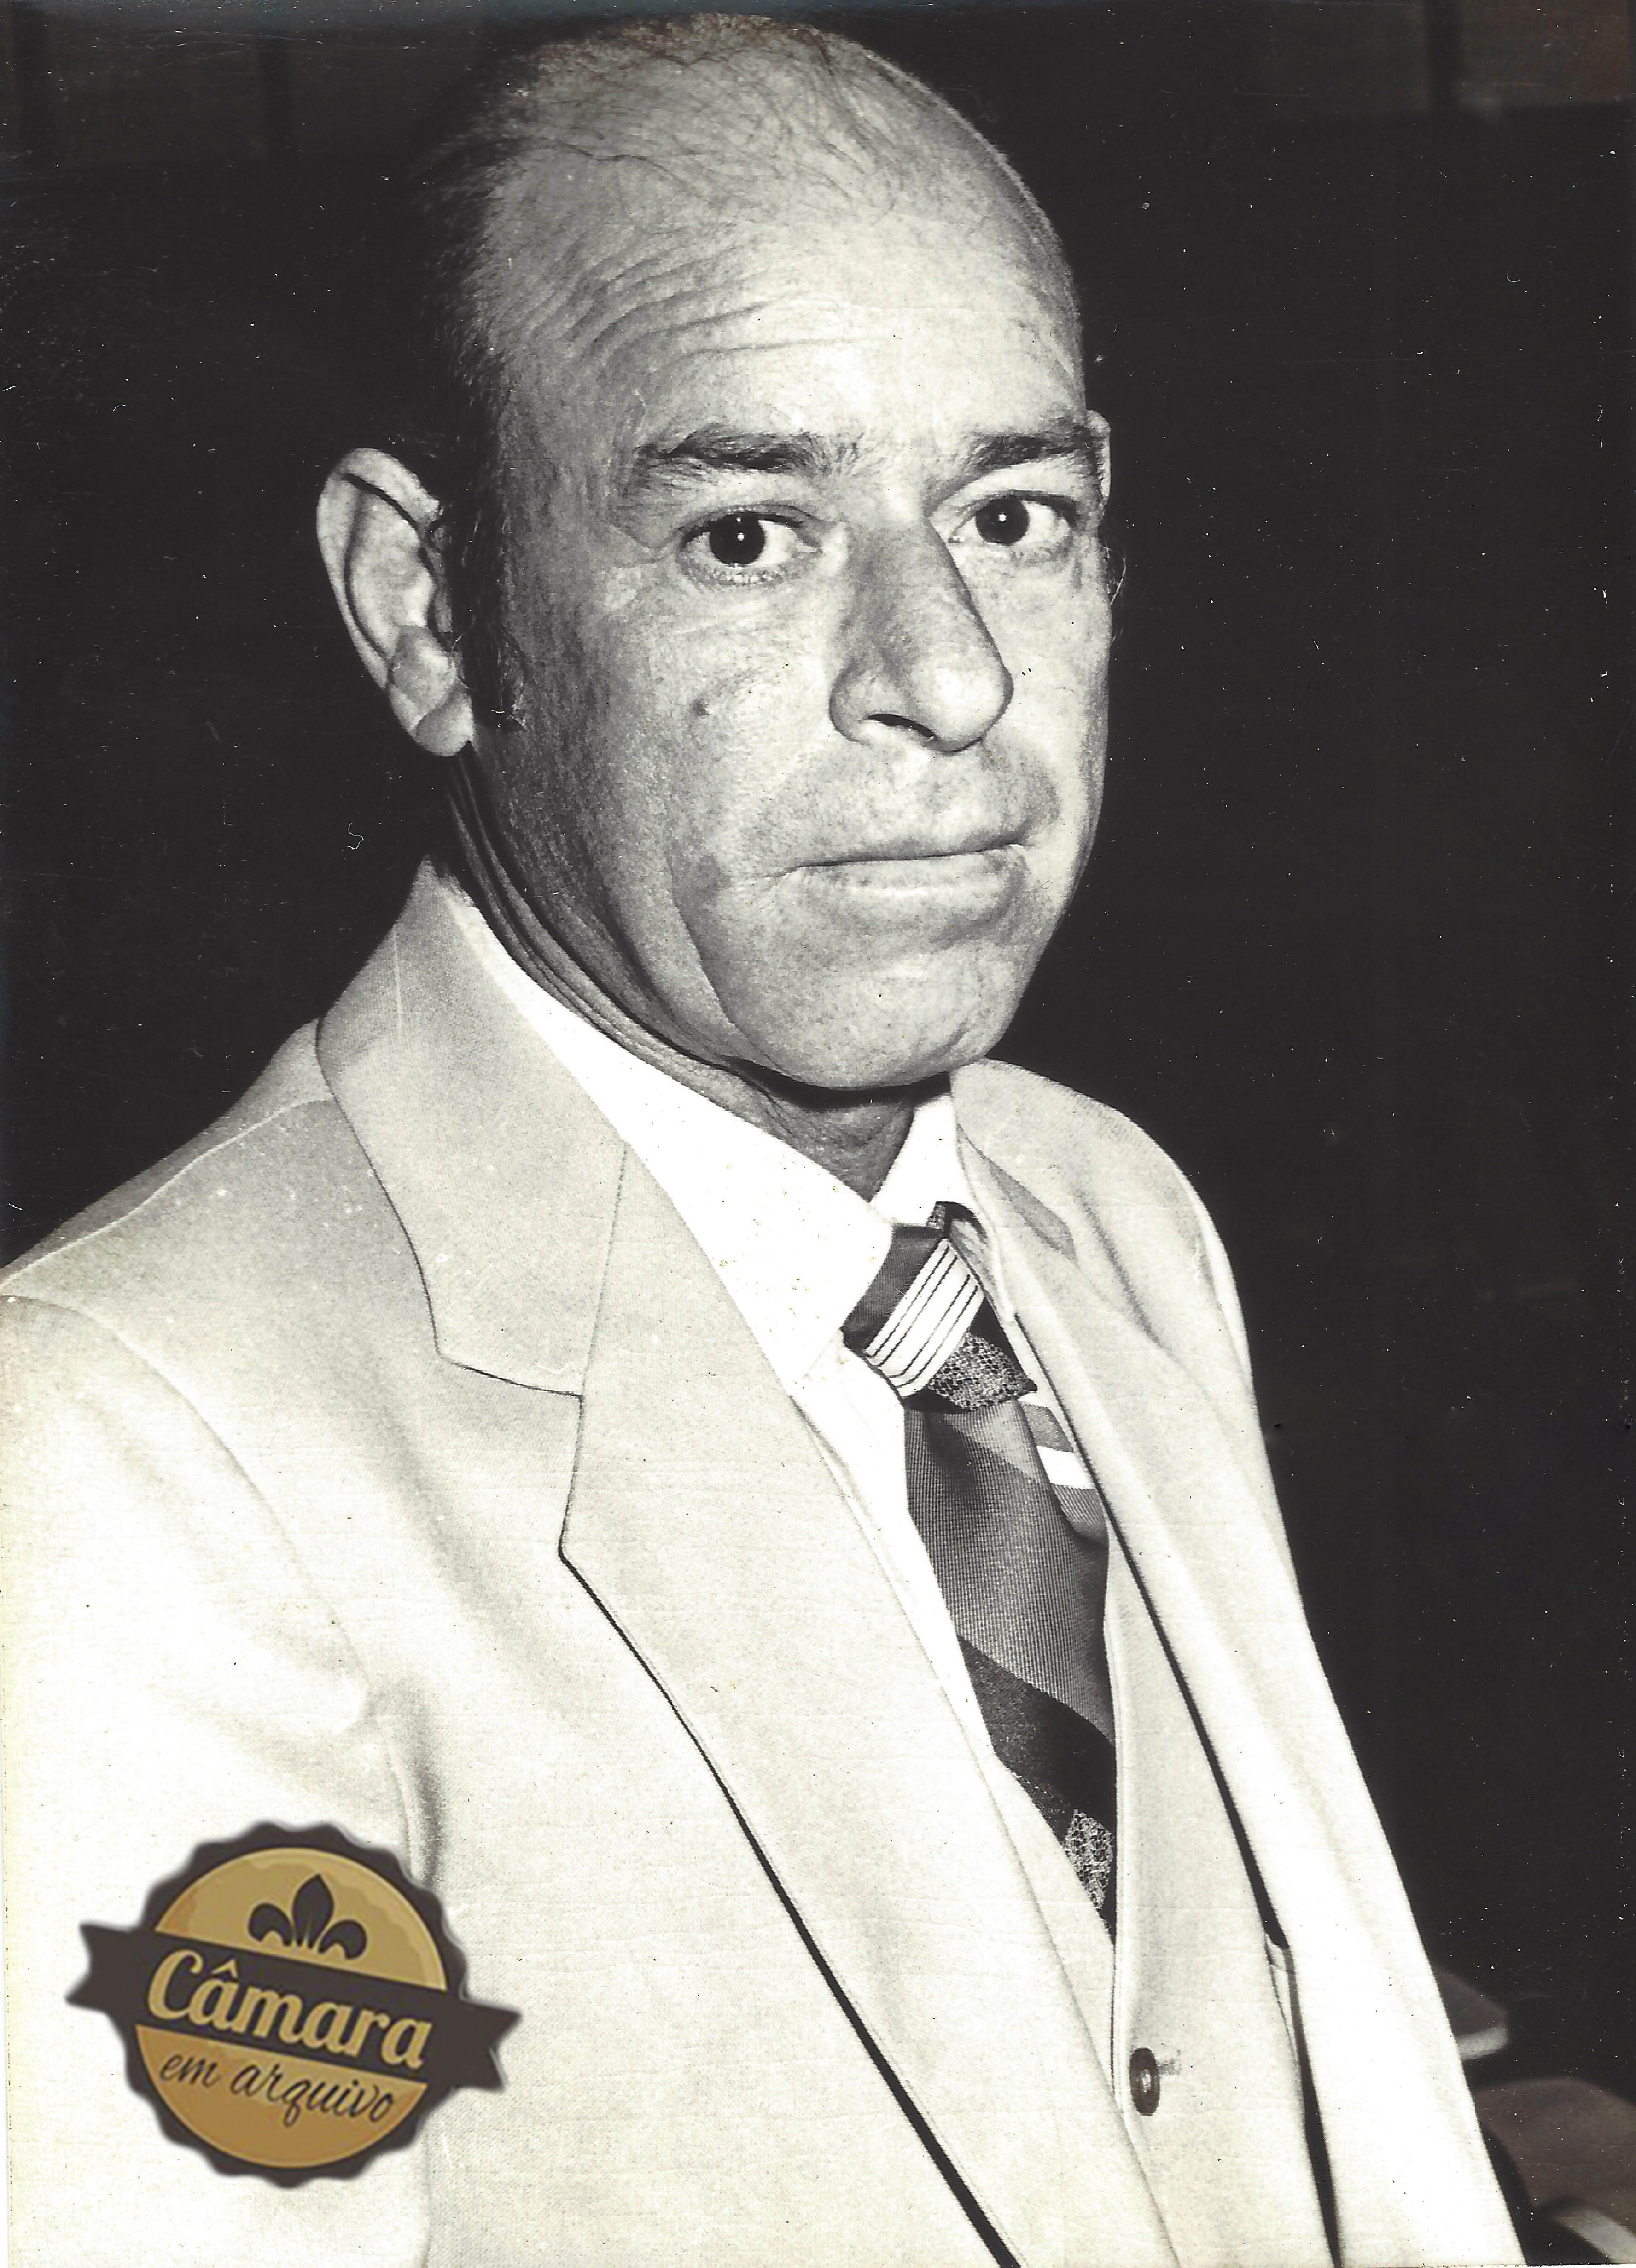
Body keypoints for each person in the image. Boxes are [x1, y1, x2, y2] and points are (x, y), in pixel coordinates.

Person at [0, 17, 1521, 2266]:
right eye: (745, 534)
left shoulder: (1101, 1209)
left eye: (1012, 518)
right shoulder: (126, 1452)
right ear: (427, 608)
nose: (949, 675)